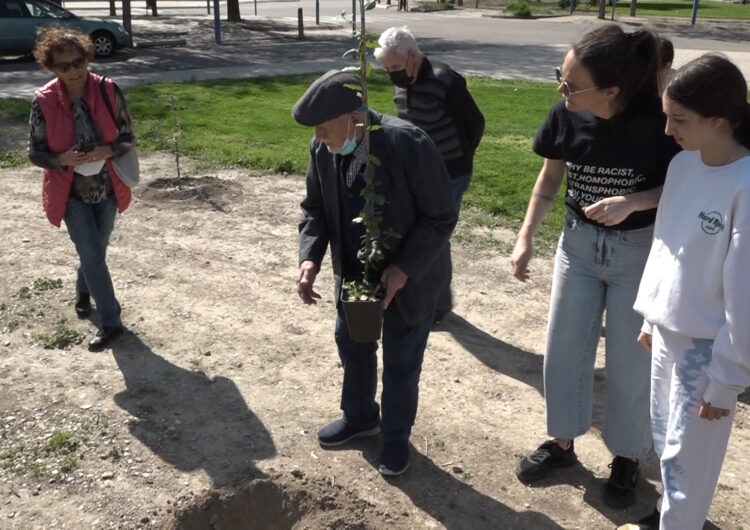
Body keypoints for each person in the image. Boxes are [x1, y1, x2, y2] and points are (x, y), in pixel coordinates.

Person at [509, 25, 680, 509]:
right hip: (578, 250)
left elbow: (689, 188)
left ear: (611, 91)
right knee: (563, 350)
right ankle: (562, 444)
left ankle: (626, 458)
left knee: (631, 363)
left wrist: (635, 201)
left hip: (637, 254)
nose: (561, 92)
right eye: (560, 78)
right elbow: (548, 182)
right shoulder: (566, 115)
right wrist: (525, 239)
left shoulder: (660, 122)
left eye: (571, 84)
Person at [292, 70, 457, 476]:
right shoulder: (324, 150)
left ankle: (396, 438)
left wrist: (403, 269)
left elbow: (441, 216)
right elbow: (315, 209)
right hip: (356, 277)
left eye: (324, 128)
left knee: (401, 362)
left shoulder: (407, 144)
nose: (318, 137)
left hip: (410, 281)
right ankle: (360, 417)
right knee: (353, 346)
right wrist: (309, 257)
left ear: (354, 117)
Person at [621, 54, 750, 530]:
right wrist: (651, 316)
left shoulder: (746, 185)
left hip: (708, 348)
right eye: (667, 115)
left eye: (680, 119)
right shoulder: (683, 166)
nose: (668, 129)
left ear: (718, 120)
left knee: (689, 461)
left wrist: (727, 377)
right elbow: (666, 246)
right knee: (665, 443)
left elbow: (745, 294)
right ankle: (668, 519)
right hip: (665, 334)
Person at [28, 27, 135, 351]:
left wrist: (108, 150)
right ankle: (111, 321)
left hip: (107, 188)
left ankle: (84, 290)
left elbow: (128, 138)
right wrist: (61, 158)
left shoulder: (108, 89)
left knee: (94, 255)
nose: (74, 70)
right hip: (70, 192)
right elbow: (35, 152)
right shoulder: (43, 101)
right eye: (64, 65)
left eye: (78, 62)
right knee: (91, 254)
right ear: (52, 67)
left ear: (87, 58)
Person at [374, 26, 485, 323]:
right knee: (422, 229)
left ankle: (438, 302)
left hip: (451, 172)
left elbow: (475, 123)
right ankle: (434, 297)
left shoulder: (444, 80)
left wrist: (459, 155)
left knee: (437, 232)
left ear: (413, 56)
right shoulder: (400, 80)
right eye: (386, 69)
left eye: (395, 67)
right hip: (417, 170)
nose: (391, 74)